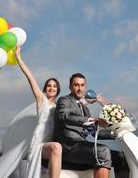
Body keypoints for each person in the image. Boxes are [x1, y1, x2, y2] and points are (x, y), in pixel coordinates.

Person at [53, 73, 128, 178]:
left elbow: (93, 132)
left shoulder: (85, 109)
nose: (80, 88)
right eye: (76, 85)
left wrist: (114, 133)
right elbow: (65, 116)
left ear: (85, 87)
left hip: (82, 145)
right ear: (70, 87)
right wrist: (92, 120)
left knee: (121, 157)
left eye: (82, 85)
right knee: (103, 151)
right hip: (69, 146)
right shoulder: (64, 100)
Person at [12, 45, 62, 178]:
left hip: (50, 140)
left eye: (54, 86)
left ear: (58, 89)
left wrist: (90, 101)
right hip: (39, 143)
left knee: (58, 147)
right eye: (49, 86)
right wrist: (18, 58)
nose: (52, 88)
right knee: (56, 148)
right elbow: (30, 78)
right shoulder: (41, 100)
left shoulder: (60, 106)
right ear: (45, 88)